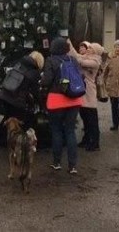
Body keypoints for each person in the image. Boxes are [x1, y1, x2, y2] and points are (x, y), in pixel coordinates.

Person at [41, 37, 83, 175]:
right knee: (70, 131)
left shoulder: (51, 60)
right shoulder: (73, 60)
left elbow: (46, 81)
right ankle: (72, 166)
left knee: (57, 131)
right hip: (74, 99)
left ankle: (57, 162)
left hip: (56, 100)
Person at [69, 41, 104, 151]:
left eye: (91, 49)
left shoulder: (95, 61)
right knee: (85, 118)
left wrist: (68, 43)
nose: (88, 49)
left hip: (89, 93)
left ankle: (95, 142)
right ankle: (86, 139)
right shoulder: (86, 57)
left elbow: (79, 60)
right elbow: (75, 55)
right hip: (83, 91)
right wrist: (69, 43)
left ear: (95, 51)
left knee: (91, 119)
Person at [0, 51, 44, 128]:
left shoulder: (19, 63)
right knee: (21, 123)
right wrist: (41, 105)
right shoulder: (34, 73)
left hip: (4, 95)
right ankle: (9, 137)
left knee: (8, 119)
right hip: (17, 101)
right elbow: (35, 92)